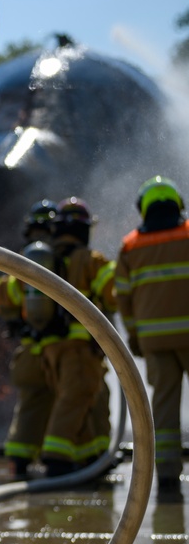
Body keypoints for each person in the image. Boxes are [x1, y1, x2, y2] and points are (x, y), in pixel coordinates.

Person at [115, 175, 189, 495]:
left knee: (163, 406)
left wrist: (134, 336)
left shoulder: (131, 246)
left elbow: (124, 298)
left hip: (154, 342)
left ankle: (168, 476)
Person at [40, 197, 116, 476]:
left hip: (51, 349)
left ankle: (92, 459)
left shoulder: (44, 261)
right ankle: (56, 460)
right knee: (76, 400)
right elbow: (114, 292)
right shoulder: (89, 260)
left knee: (88, 401)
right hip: (79, 349)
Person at [0, 199, 58, 480]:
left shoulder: (21, 262)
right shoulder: (60, 258)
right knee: (76, 402)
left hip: (29, 349)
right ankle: (63, 462)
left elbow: (9, 297)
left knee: (30, 405)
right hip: (63, 349)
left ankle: (19, 461)